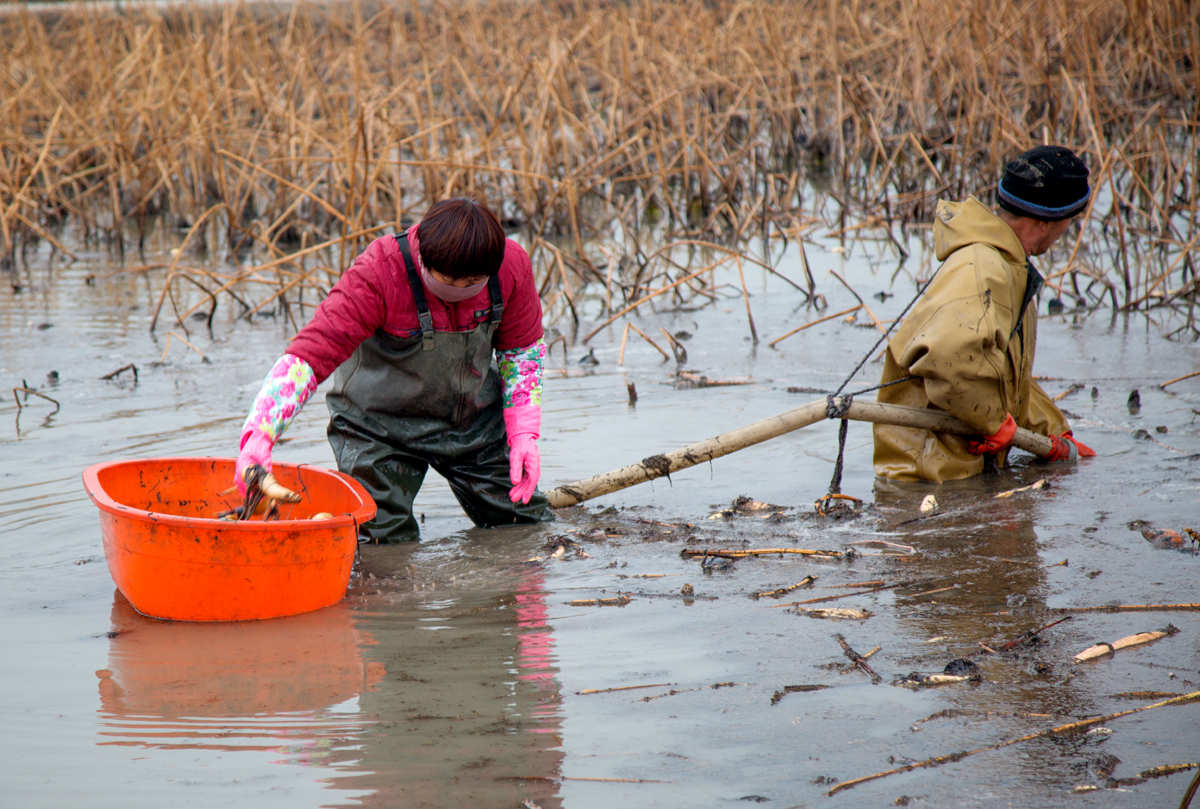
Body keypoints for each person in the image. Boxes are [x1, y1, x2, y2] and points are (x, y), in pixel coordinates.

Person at [235, 197, 553, 540]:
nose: (459, 294)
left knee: (523, 527)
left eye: (472, 283)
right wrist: (260, 436)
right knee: (381, 544)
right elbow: (309, 356)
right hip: (375, 429)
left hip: (471, 421)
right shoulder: (379, 271)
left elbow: (522, 354)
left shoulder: (511, 266)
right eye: (447, 282)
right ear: (423, 259)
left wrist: (523, 435)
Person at [873, 145, 1096, 483]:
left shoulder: (1007, 265)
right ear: (1042, 222)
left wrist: (1053, 430)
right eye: (1069, 219)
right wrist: (993, 422)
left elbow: (1001, 372)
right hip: (927, 482)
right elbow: (950, 357)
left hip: (959, 474)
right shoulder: (984, 269)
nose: (1067, 228)